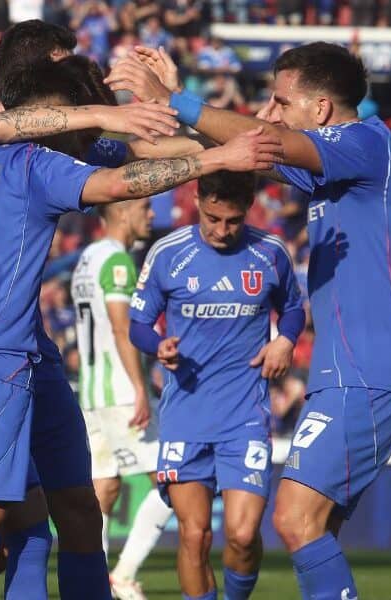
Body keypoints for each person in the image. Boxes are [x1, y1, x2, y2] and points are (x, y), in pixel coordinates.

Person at [0, 58, 279, 600]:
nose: (89, 132)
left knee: (40, 527)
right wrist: (219, 159)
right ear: (57, 107)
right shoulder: (36, 163)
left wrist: (225, 135)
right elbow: (117, 182)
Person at [107, 41, 391, 600]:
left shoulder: (366, 144)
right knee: (315, 526)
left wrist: (177, 100)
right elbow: (238, 150)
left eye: (281, 101)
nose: (271, 111)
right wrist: (163, 107)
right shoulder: (334, 171)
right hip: (345, 369)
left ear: (321, 109)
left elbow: (263, 139)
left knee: (293, 518)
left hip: (368, 367)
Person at [128, 172, 305, 600]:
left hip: (245, 416)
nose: (222, 230)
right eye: (213, 218)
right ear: (197, 200)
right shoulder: (169, 253)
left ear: (248, 209)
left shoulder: (269, 253)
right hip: (185, 416)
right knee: (195, 536)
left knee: (242, 536)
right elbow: (138, 324)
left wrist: (285, 340)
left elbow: (294, 309)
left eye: (233, 221)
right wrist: (157, 345)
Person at [70, 198, 174, 600]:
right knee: (171, 481)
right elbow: (120, 327)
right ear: (123, 211)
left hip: (92, 394)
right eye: (145, 207)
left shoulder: (87, 258)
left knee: (104, 489)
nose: (151, 214)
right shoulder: (117, 261)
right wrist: (139, 388)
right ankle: (124, 576)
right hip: (120, 392)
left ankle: (94, 584)